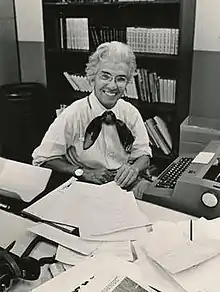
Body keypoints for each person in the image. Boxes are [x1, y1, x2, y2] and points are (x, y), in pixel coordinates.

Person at [32, 41, 152, 198]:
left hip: (126, 184)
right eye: (105, 76)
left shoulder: (131, 112)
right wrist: (82, 172)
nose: (112, 86)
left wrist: (134, 169)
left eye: (120, 79)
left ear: (127, 82)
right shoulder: (73, 114)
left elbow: (144, 154)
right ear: (92, 78)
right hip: (86, 186)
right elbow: (43, 158)